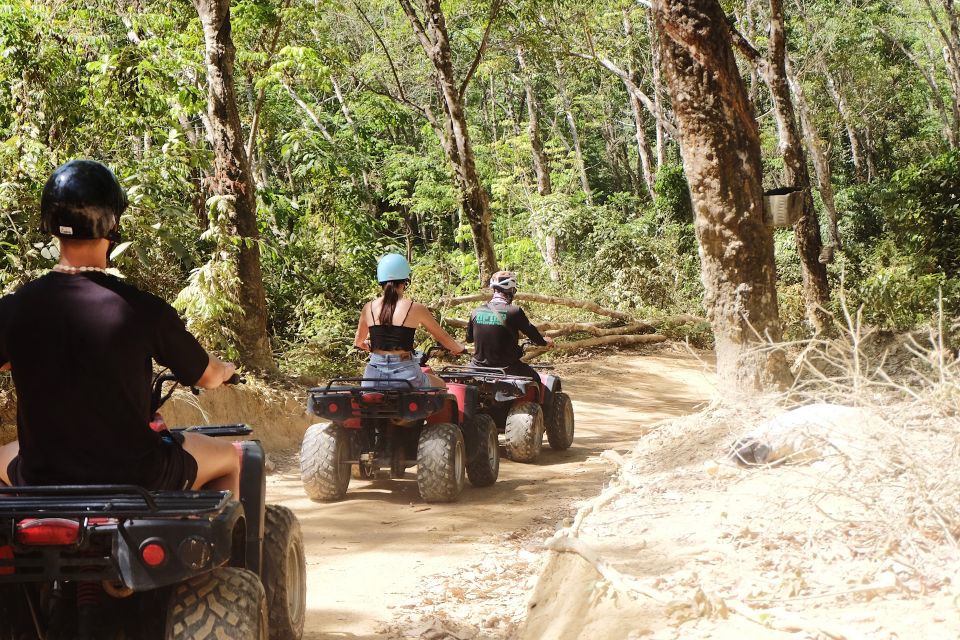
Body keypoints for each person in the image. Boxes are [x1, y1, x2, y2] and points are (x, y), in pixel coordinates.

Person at [0, 160, 240, 495]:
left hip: (41, 478)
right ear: (113, 225)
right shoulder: (143, 311)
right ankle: (221, 548)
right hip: (139, 477)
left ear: (51, 225)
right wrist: (226, 370)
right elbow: (207, 375)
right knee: (231, 457)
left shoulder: (12, 310)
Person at [354, 253, 465, 388]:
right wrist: (459, 348)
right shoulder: (416, 308)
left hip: (373, 377)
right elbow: (442, 336)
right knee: (441, 385)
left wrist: (366, 345)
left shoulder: (368, 308)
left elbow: (358, 342)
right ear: (405, 281)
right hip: (407, 375)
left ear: (380, 281)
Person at [466, 270, 554, 385]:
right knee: (536, 380)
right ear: (511, 290)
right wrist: (544, 342)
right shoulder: (514, 311)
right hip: (507, 368)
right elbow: (532, 333)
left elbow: (469, 339)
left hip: (477, 369)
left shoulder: (476, 312)